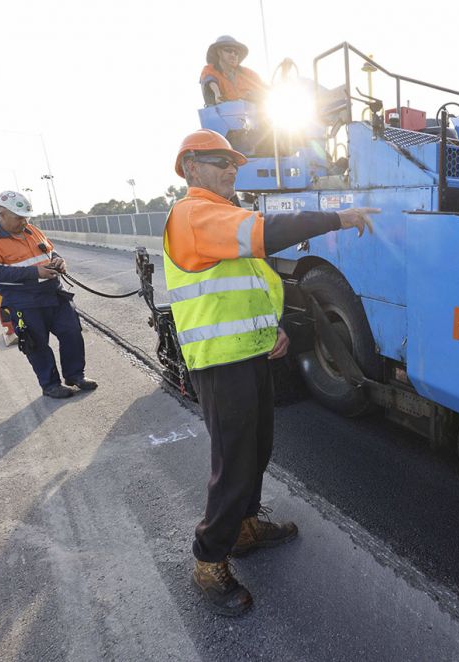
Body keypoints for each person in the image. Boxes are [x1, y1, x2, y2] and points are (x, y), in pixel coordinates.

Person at [167, 129, 379, 615]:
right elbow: (268, 232)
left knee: (256, 451)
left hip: (249, 353)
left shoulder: (224, 217)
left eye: (234, 163)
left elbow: (259, 279)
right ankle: (208, 559)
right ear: (190, 167)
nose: (230, 169)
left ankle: (242, 529)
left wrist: (275, 327)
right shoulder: (193, 214)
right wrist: (338, 217)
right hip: (220, 362)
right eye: (219, 160)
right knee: (234, 462)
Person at [0, 191, 97, 398]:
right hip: (23, 301)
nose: (24, 222)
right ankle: (50, 385)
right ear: (2, 213)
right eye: (19, 217)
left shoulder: (31, 230)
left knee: (72, 332)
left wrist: (59, 261)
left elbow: (50, 251)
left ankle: (75, 375)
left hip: (54, 293)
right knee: (36, 344)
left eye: (26, 217)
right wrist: (34, 272)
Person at [200, 35, 267, 106]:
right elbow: (210, 80)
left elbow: (264, 88)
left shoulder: (248, 73)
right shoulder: (210, 70)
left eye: (236, 52)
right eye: (228, 50)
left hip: (251, 114)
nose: (233, 54)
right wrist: (217, 94)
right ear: (219, 52)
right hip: (223, 114)